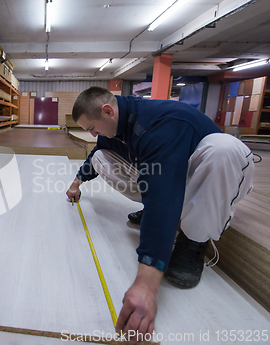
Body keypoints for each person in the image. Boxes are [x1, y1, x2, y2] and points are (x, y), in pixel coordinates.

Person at [66, 86, 254, 340]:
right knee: (102, 156)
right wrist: (77, 182)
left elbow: (164, 189)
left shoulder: (158, 123)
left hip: (216, 177)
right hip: (172, 178)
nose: (92, 133)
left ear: (107, 111)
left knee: (223, 149)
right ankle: (152, 210)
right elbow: (95, 157)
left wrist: (146, 284)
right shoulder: (115, 127)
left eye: (91, 128)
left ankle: (194, 242)